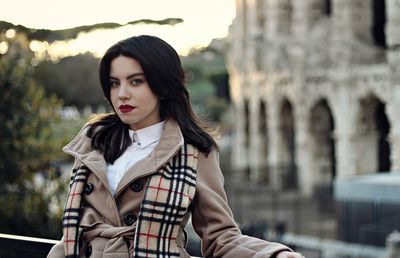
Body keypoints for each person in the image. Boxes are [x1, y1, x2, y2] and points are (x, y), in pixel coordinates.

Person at [47, 35, 304, 258]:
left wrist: (275, 254)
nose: (122, 93)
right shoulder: (94, 140)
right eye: (115, 83)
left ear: (162, 85)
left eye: (136, 81)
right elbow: (71, 231)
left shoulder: (193, 152)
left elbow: (220, 237)